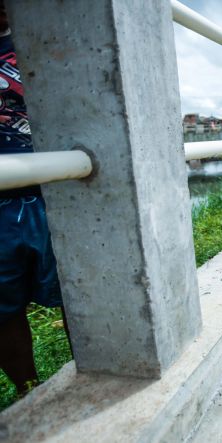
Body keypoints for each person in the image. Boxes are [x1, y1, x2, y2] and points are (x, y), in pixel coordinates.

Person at [0, 2, 68, 396]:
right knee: (2, 309)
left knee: (82, 293)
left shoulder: (50, 42)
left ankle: (94, 372)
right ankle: (29, 390)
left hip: (58, 190)